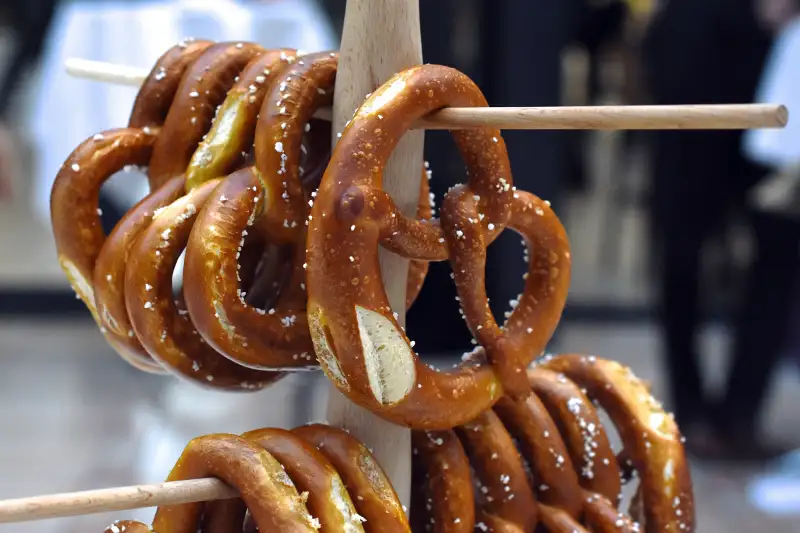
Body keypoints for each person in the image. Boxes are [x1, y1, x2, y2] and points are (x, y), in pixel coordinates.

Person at [644, 0, 799, 461]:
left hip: (776, 53)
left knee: (781, 242)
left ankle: (741, 411)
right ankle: (691, 409)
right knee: (681, 246)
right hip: (699, 45)